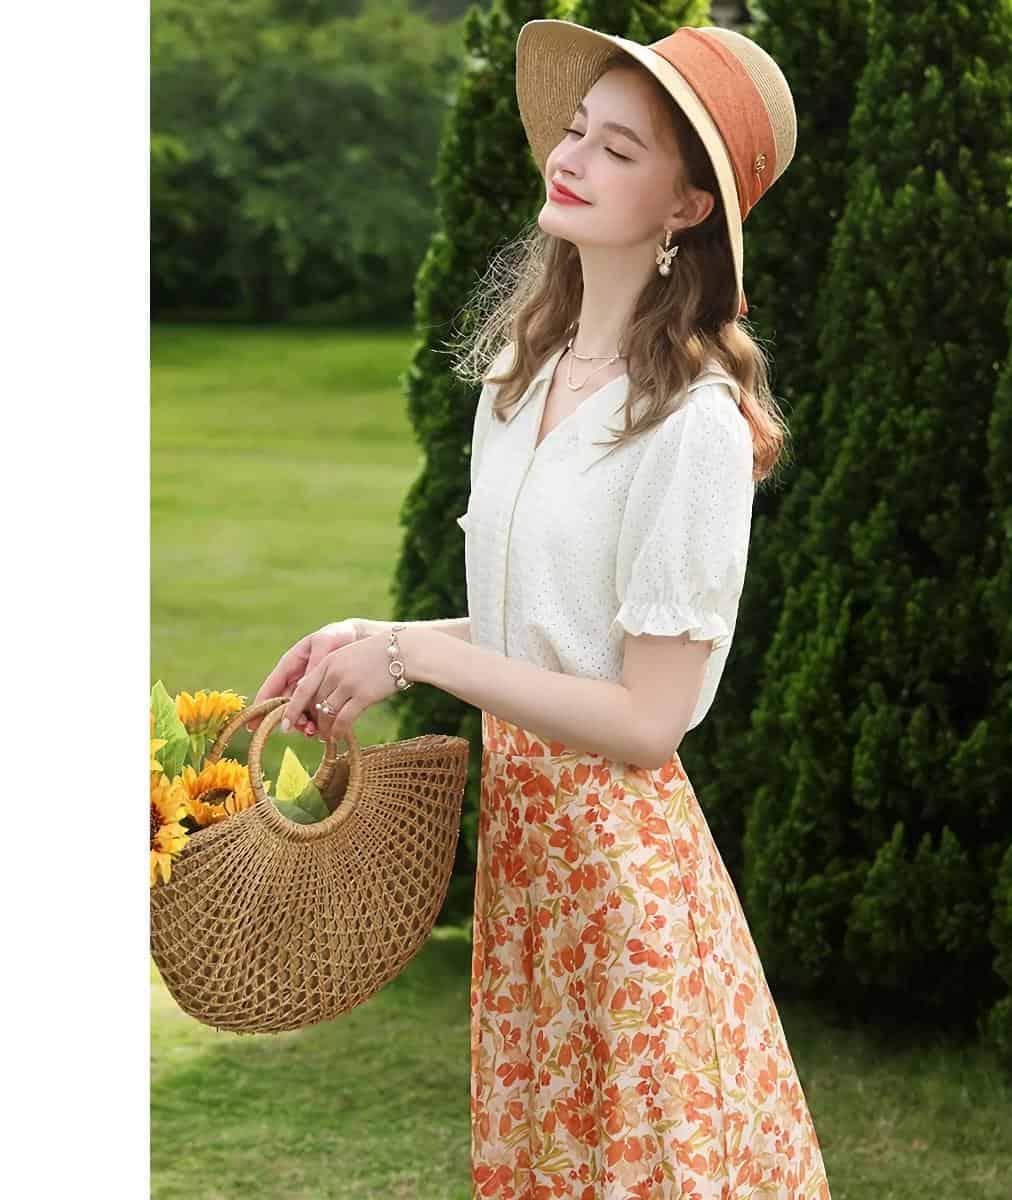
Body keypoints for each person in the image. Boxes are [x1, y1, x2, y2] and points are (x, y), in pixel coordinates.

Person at [251, 18, 832, 1199]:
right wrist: (374, 643)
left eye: (620, 149)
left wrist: (414, 652)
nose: (572, 158)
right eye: (576, 131)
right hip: (528, 875)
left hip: (624, 884)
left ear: (686, 208)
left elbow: (645, 717)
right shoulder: (521, 378)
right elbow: (549, 633)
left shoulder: (693, 425)